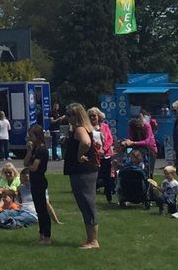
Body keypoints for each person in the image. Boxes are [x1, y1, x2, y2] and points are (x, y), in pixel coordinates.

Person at [63, 102, 99, 249]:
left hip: (83, 172)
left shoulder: (79, 129)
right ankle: (90, 238)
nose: (66, 117)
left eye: (69, 115)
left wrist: (79, 155)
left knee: (87, 202)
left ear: (76, 116)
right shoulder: (80, 129)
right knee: (85, 204)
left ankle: (93, 240)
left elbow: (86, 142)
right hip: (83, 171)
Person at [25, 124, 52, 244]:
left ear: (37, 136)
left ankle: (47, 236)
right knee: (38, 209)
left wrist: (28, 168)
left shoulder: (42, 150)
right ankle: (41, 235)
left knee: (42, 210)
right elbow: (26, 162)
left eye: (31, 135)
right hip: (34, 182)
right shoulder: (35, 150)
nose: (29, 138)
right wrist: (29, 151)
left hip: (40, 181)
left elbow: (34, 167)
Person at [88, 107, 115, 203]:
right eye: (90, 116)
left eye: (94, 116)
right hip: (94, 156)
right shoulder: (88, 128)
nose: (92, 118)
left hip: (105, 155)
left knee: (107, 178)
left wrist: (104, 149)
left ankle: (109, 197)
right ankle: (91, 198)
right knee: (93, 177)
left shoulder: (104, 126)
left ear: (98, 116)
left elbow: (110, 139)